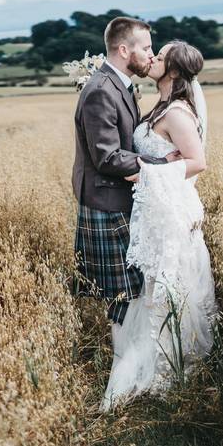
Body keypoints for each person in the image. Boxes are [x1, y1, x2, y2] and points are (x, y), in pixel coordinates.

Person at [101, 40, 218, 411]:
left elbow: (197, 162)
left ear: (174, 71)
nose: (152, 58)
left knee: (169, 284)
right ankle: (153, 357)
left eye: (161, 56)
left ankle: (169, 367)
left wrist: (151, 173)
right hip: (154, 208)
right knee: (152, 285)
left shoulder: (179, 113)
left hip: (170, 210)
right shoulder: (161, 105)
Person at [71, 17, 179, 327]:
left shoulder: (120, 85)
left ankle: (128, 357)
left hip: (117, 197)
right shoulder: (101, 91)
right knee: (123, 297)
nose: (151, 54)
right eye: (146, 48)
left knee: (131, 291)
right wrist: (163, 164)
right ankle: (123, 362)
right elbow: (107, 157)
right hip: (107, 201)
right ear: (123, 50)